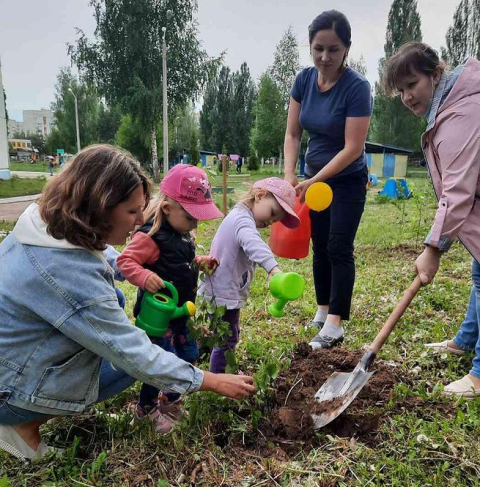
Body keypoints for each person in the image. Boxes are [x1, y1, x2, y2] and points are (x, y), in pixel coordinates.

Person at [0, 145, 255, 462]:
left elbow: (111, 261)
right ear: (99, 207)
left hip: (10, 363)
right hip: (7, 391)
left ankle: (30, 411)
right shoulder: (67, 274)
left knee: (117, 299)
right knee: (137, 354)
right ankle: (22, 424)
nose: (138, 222)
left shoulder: (47, 223)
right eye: (132, 212)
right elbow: (130, 351)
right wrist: (212, 381)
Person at [383, 42, 480, 398]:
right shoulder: (452, 105)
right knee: (479, 273)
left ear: (436, 74)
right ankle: (465, 341)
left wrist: (433, 249)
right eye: (401, 91)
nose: (407, 97)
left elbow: (457, 192)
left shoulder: (462, 112)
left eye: (413, 84)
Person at [283, 10, 372, 349]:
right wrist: (292, 176)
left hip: (347, 180)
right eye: (318, 48)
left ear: (346, 49)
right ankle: (322, 310)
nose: (324, 57)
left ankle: (335, 325)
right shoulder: (303, 81)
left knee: (338, 246)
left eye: (333, 49)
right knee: (318, 245)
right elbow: (292, 135)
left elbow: (353, 148)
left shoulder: (357, 88)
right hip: (311, 181)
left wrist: (313, 179)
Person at [117, 164, 223, 434]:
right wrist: (142, 277)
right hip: (159, 317)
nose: (196, 224)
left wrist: (199, 262)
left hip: (181, 314)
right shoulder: (152, 238)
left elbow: (180, 263)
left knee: (186, 355)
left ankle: (170, 401)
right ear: (167, 209)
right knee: (160, 363)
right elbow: (124, 261)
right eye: (191, 217)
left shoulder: (182, 234)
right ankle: (146, 408)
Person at [198, 178, 300, 373]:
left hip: (219, 290)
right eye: (272, 214)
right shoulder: (242, 221)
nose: (270, 222)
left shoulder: (240, 215)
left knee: (225, 333)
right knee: (227, 339)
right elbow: (253, 244)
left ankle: (211, 358)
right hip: (222, 293)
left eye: (274, 221)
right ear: (260, 195)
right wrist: (273, 269)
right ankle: (220, 379)